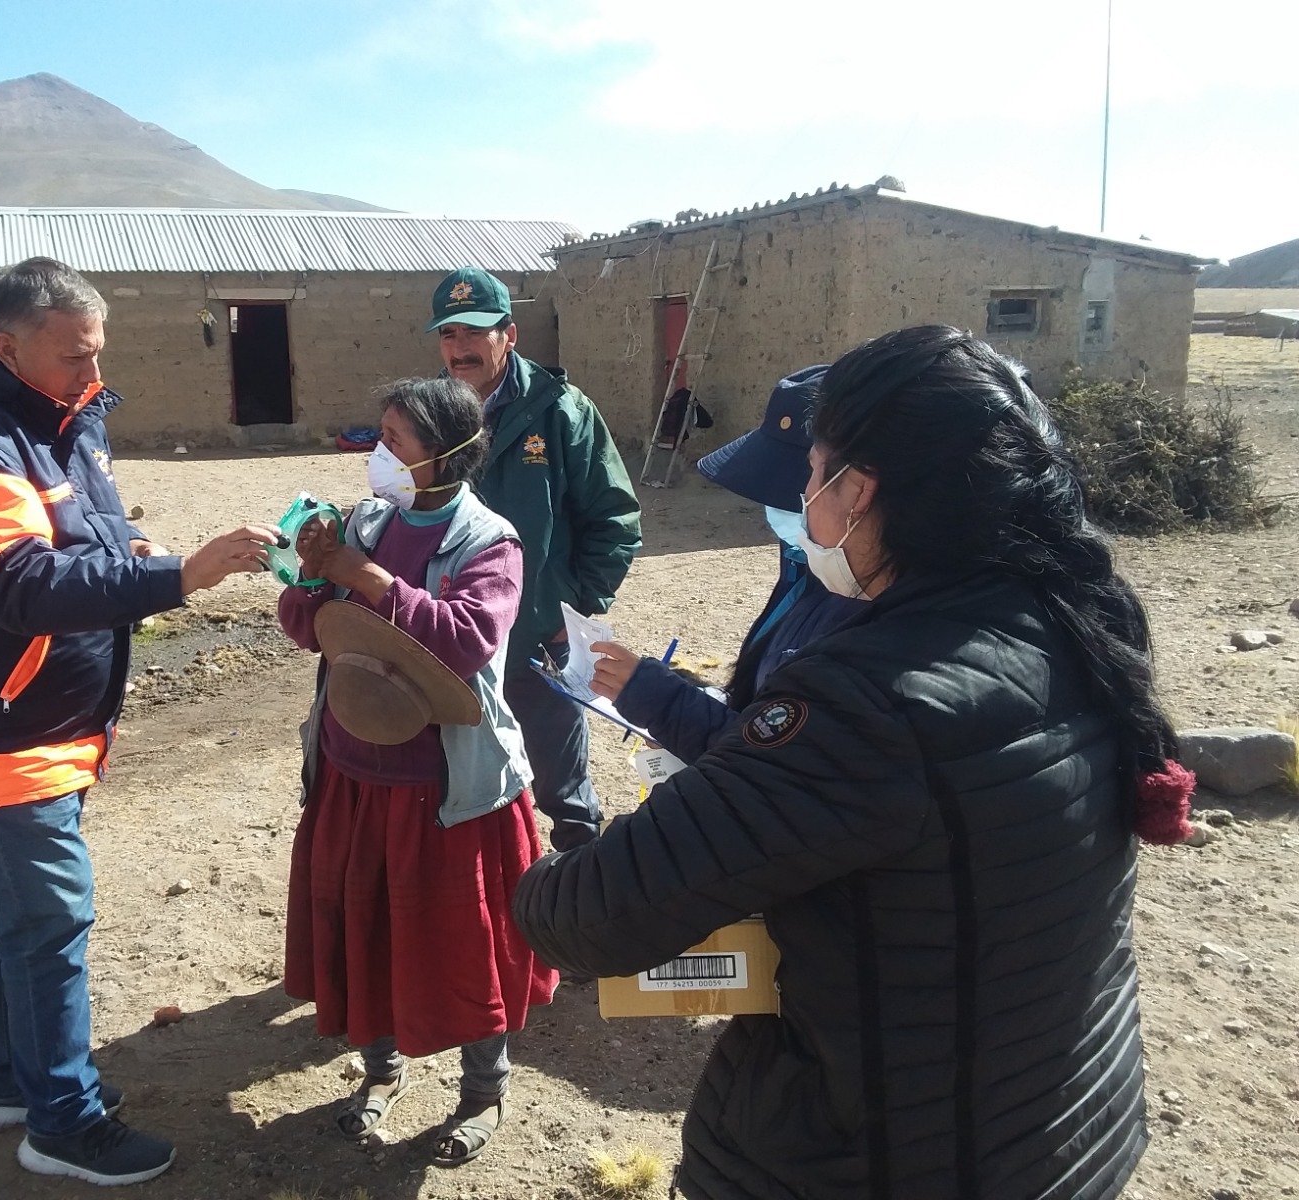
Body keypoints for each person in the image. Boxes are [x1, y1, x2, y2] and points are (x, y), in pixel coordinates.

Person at [513, 326, 1195, 1200]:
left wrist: (521, 868)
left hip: (892, 1158)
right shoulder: (1072, 617)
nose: (801, 495)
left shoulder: (871, 697)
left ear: (859, 490)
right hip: (1062, 1127)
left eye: (812, 471)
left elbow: (592, 914)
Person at [0, 258, 280, 1186]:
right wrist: (183, 573)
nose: (91, 378)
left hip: (39, 726)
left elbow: (79, 528)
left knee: (11, 916)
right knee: (51, 920)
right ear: (7, 345)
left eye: (97, 356)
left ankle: (7, 1084)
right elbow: (15, 584)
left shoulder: (56, 416)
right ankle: (62, 1123)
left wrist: (132, 549)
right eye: (72, 360)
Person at [277, 376, 556, 1167]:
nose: (379, 456)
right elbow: (305, 625)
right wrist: (308, 573)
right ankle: (380, 1071)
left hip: (446, 793)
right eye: (380, 437)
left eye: (395, 443)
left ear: (448, 457)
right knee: (368, 931)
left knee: (467, 944)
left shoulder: (488, 543)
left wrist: (359, 573)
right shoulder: (367, 521)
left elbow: (463, 642)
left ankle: (482, 1091)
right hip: (353, 775)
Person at [427, 266, 642, 851]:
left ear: (509, 334)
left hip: (538, 636)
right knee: (460, 780)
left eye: (475, 332)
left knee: (562, 788)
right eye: (448, 334)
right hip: (452, 638)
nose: (460, 348)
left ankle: (580, 903)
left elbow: (615, 518)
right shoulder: (428, 416)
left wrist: (570, 608)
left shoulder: (561, 411)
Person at [588, 365, 865, 765]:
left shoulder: (863, 605)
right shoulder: (808, 563)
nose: (784, 502)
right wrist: (701, 700)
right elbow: (767, 707)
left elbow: (783, 763)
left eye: (801, 485)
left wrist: (665, 703)